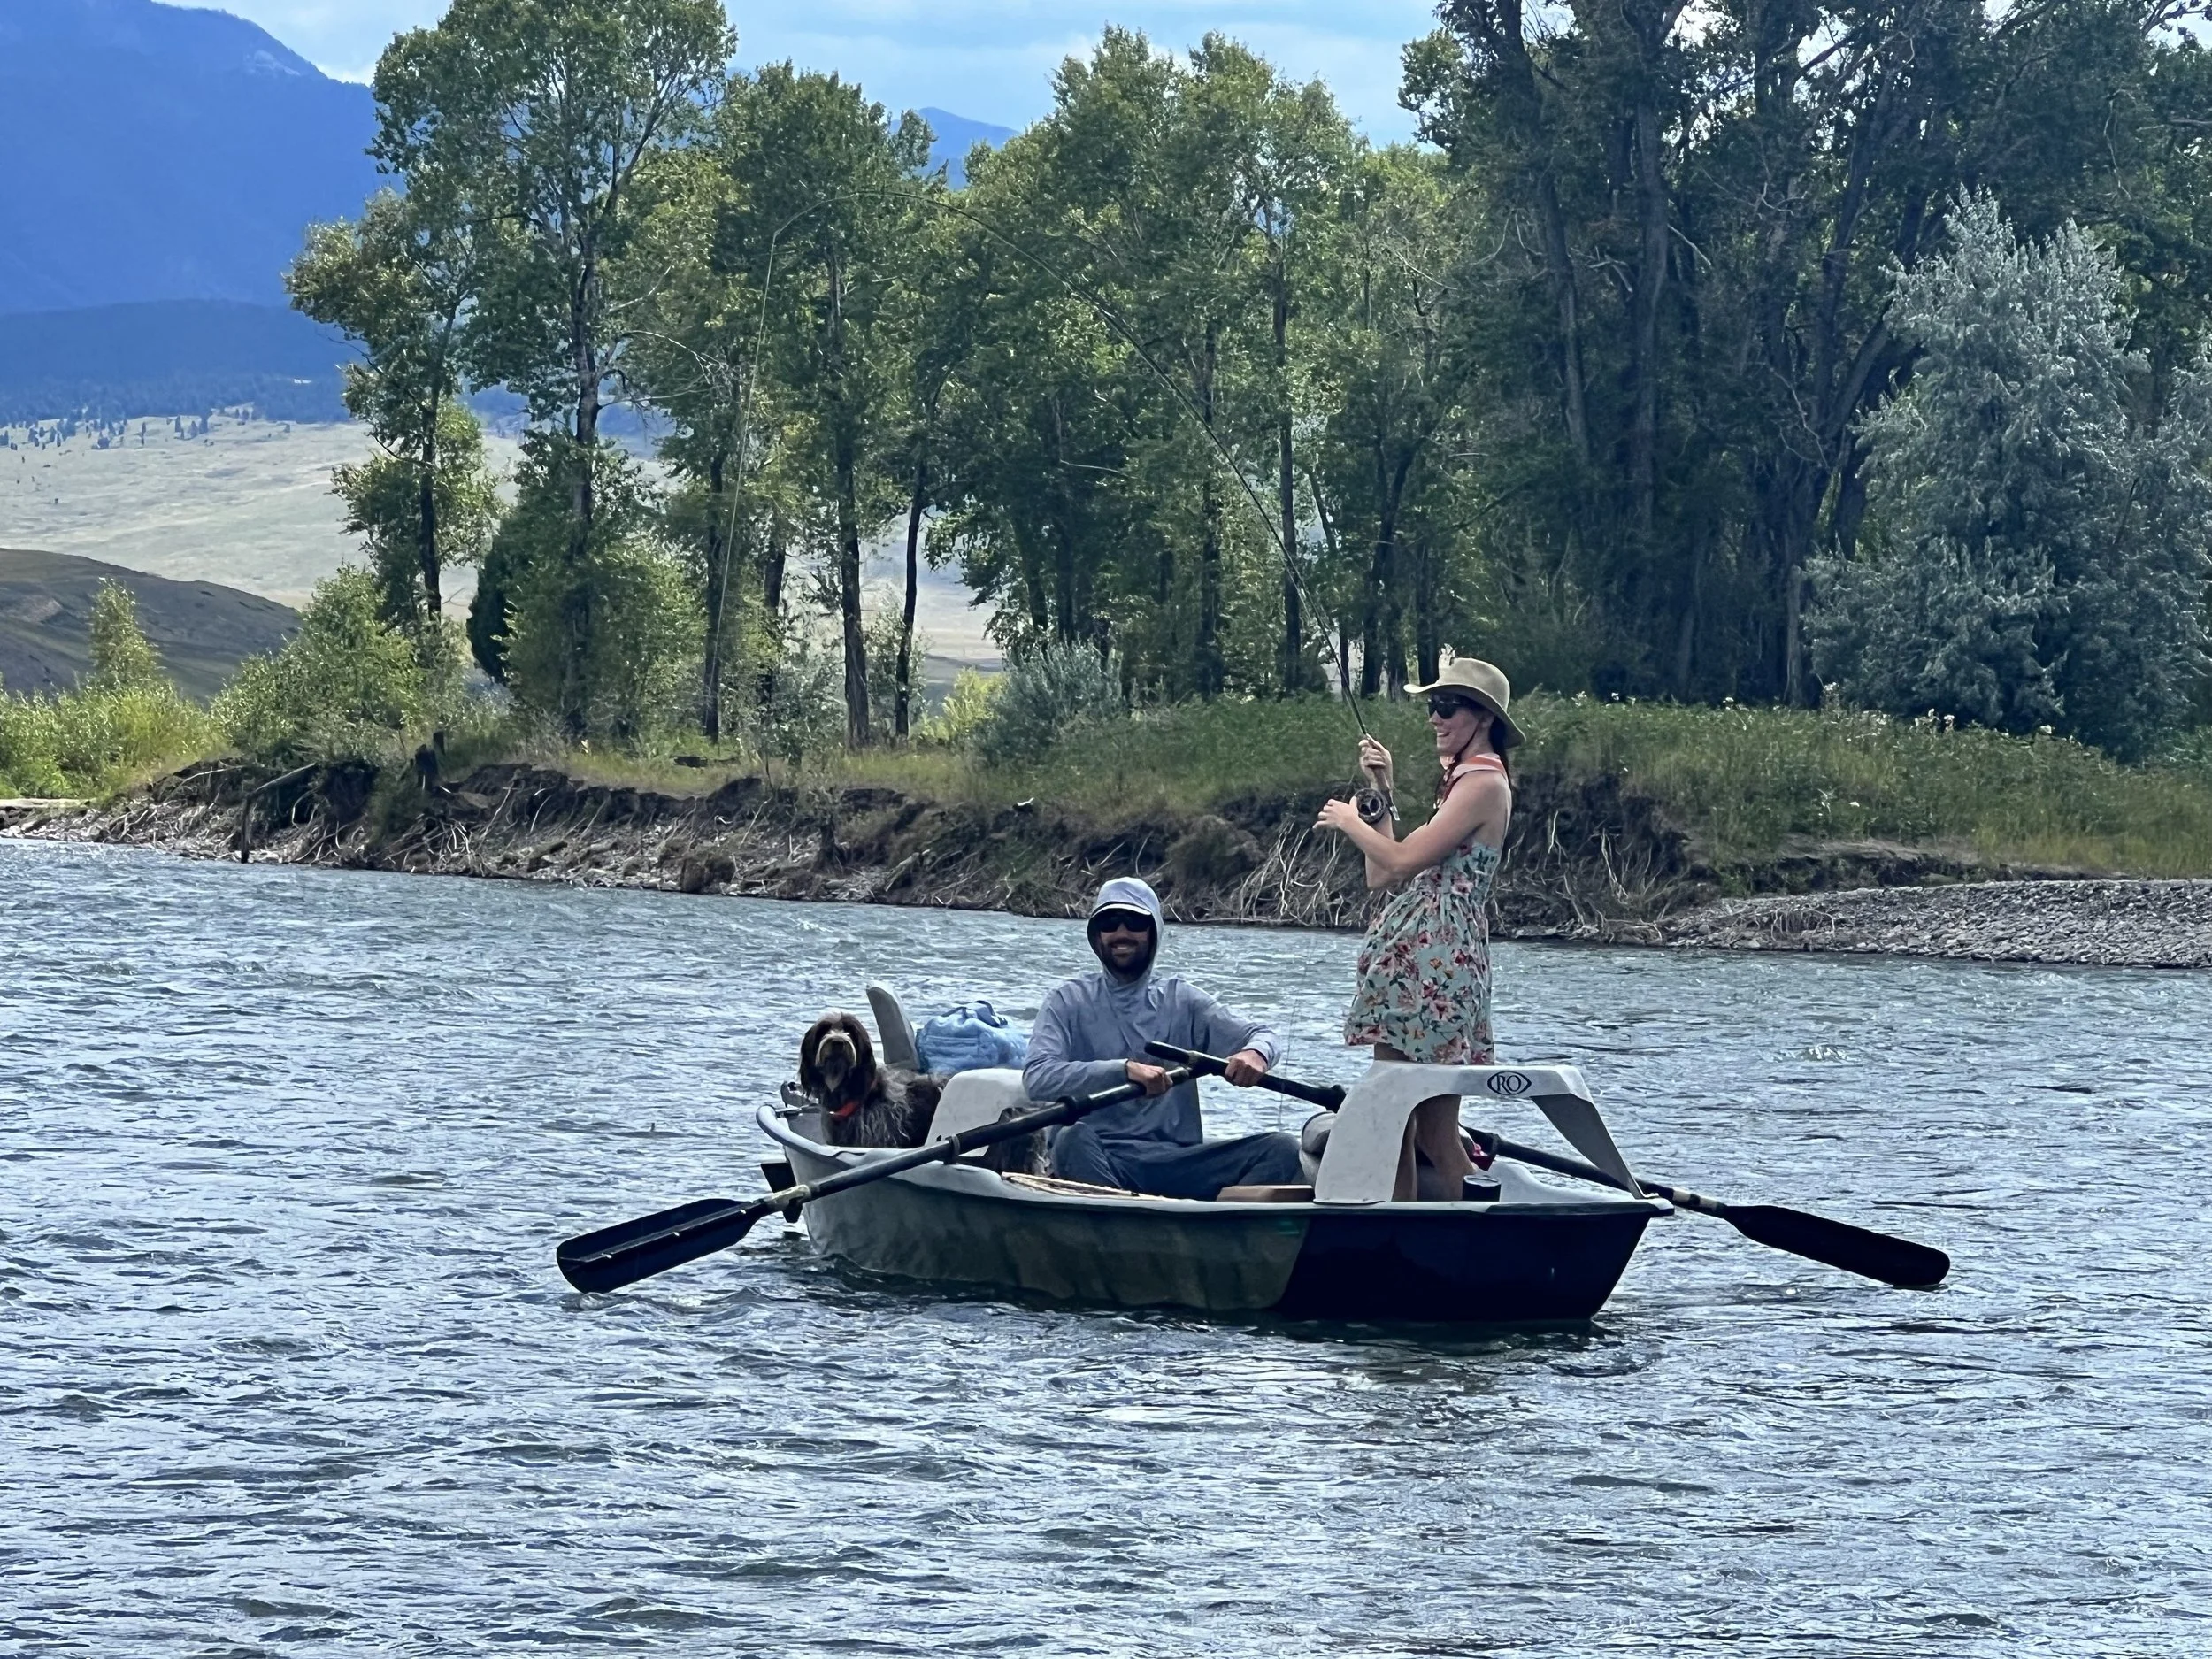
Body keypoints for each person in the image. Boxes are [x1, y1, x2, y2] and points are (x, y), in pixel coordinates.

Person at [1314, 656, 1519, 1202]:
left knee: (1412, 1119)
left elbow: (1402, 863)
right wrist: (1382, 789)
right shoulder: (1461, 783)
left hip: (1436, 963)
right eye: (1433, 706)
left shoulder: (1482, 783)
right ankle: (1412, 1229)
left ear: (1482, 718)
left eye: (1446, 707)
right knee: (1408, 1120)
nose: (1435, 717)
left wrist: (1350, 820)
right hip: (1423, 961)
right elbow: (1381, 873)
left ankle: (1473, 1238)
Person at [1025, 877, 1305, 1199]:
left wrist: (1256, 1054)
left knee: (1282, 1149)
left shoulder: (1183, 1000)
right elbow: (1038, 1077)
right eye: (1109, 923)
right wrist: (1123, 1070)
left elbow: (1262, 1035)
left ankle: (1200, 1230)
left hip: (1176, 1160)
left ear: (1154, 931)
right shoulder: (1066, 1001)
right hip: (1099, 1155)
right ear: (1095, 934)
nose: (1121, 933)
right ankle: (1123, 1220)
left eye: (1134, 922)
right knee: (1070, 1139)